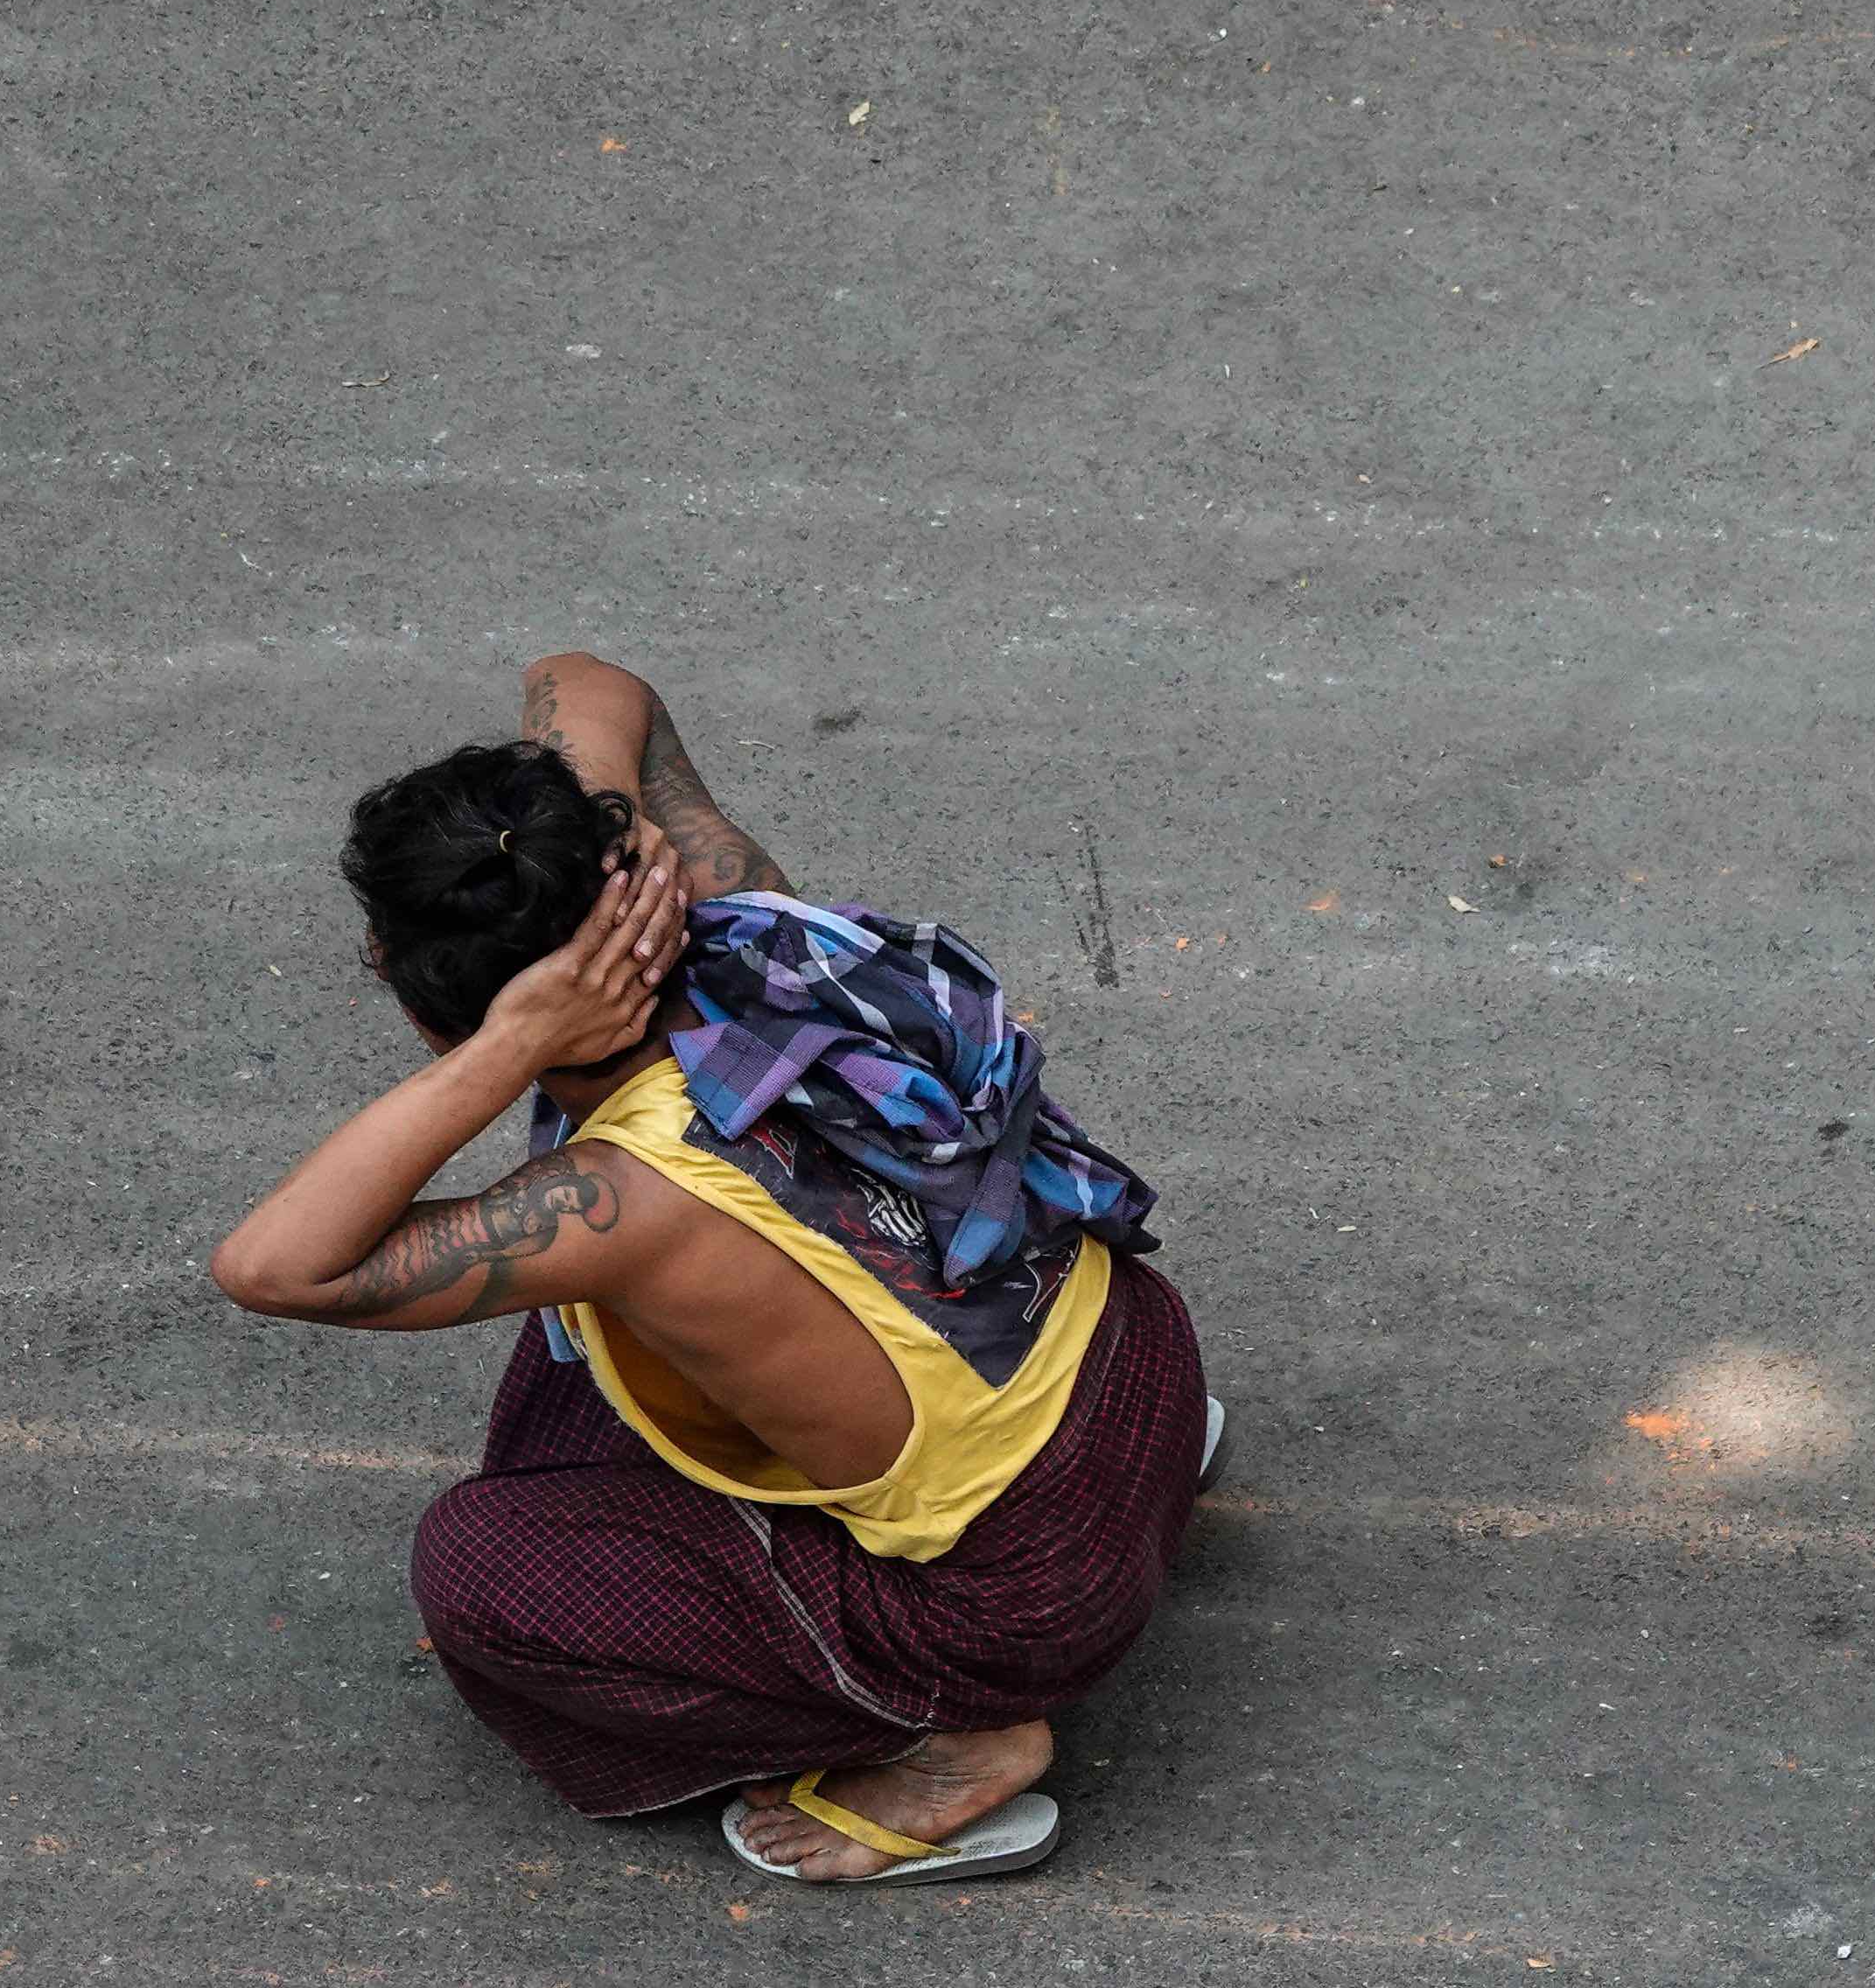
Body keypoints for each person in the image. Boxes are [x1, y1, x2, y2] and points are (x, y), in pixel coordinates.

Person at [209, 654, 1214, 1886]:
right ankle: (1143, 1483)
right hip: (1142, 1368)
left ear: (435, 1012)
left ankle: (965, 1743)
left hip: (1034, 1593)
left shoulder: (625, 1205)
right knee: (586, 1344)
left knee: (483, 1565)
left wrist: (512, 1045)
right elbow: (583, 678)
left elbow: (275, 1267)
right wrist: (610, 841)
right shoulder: (757, 923)